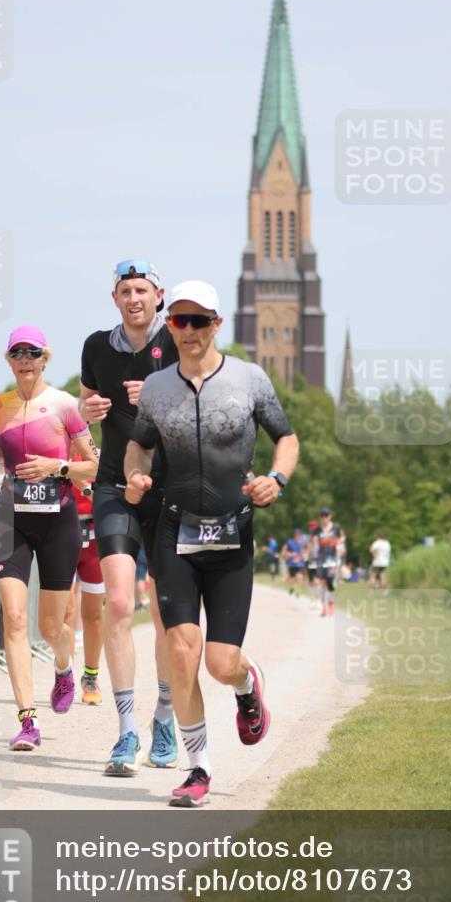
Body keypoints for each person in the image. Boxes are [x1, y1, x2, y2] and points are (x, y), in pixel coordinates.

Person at [124, 280, 299, 807]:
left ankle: (247, 688)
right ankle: (198, 768)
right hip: (174, 531)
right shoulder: (156, 388)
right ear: (169, 326)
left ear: (217, 324)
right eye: (179, 320)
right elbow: (139, 445)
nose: (189, 330)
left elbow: (285, 438)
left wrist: (277, 480)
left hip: (231, 534)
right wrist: (136, 475)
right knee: (182, 652)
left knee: (221, 662)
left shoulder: (249, 379)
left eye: (199, 320)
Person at [80, 258, 179, 775]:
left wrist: (162, 401)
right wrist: (89, 410)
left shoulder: (180, 343)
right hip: (115, 486)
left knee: (164, 612)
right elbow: (86, 400)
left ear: (158, 296)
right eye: (125, 290)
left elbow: (204, 415)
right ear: (114, 298)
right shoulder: (97, 346)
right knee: (118, 603)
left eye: (142, 289)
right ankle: (125, 733)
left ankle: (164, 716)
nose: (134, 298)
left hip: (169, 492)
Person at [0, 325, 99, 750]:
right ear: (9, 361)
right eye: (17, 353)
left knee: (52, 627)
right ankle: (28, 721)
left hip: (58, 520)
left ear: (45, 357)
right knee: (13, 618)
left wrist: (56, 467)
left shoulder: (66, 406)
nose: (25, 359)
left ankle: (64, 667)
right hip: (11, 519)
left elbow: (94, 468)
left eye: (32, 352)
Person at [68, 464, 106, 706]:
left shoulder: (97, 458)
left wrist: (85, 488)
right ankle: (64, 676)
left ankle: (90, 677)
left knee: (92, 615)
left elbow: (109, 498)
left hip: (93, 538)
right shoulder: (52, 454)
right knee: (65, 611)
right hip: (63, 535)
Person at [315, 506, 344, 616]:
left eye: (326, 515)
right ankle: (324, 607)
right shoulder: (317, 530)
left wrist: (336, 542)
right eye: (322, 515)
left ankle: (331, 602)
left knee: (330, 582)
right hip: (321, 559)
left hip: (332, 559)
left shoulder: (336, 527)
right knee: (322, 583)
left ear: (330, 516)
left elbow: (343, 537)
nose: (324, 517)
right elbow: (313, 543)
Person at [281, 528, 306, 594]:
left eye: (299, 535)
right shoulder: (289, 542)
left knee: (299, 577)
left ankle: (297, 590)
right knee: (291, 579)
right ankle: (293, 587)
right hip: (291, 564)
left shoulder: (303, 543)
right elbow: (283, 553)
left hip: (300, 564)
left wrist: (303, 556)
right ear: (294, 535)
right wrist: (290, 554)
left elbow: (305, 552)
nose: (298, 536)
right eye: (296, 535)